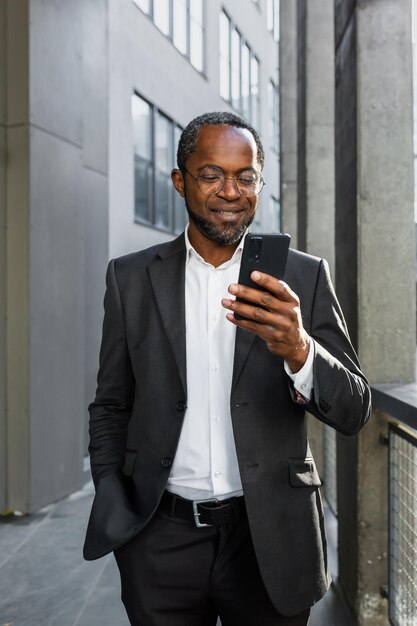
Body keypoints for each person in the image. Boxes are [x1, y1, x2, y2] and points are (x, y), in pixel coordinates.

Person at [83, 111, 371, 626]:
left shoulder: (302, 277)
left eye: (245, 176)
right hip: (159, 539)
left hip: (271, 540)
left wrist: (299, 349)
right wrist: (115, 497)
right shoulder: (129, 279)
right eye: (212, 174)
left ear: (260, 182)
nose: (230, 191)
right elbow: (110, 404)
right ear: (180, 180)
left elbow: (354, 408)